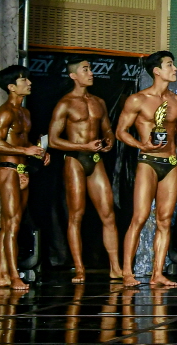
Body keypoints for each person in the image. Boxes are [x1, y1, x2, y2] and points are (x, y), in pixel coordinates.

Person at [116, 51, 177, 288]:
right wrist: (140, 144)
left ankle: (158, 274)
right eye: (169, 65)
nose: (174, 69)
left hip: (171, 164)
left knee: (164, 221)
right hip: (148, 162)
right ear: (156, 71)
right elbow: (120, 132)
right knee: (140, 217)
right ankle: (127, 273)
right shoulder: (137, 100)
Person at [46, 58, 122, 283]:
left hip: (95, 159)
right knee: (76, 215)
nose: (91, 73)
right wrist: (83, 146)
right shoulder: (65, 103)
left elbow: (107, 129)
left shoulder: (99, 102)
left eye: (90, 69)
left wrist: (109, 141)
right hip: (75, 160)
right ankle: (79, 269)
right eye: (85, 69)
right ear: (73, 76)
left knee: (108, 214)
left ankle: (116, 268)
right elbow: (53, 140)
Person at [0, 65, 49, 290]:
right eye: (23, 80)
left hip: (22, 170)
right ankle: (15, 276)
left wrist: (39, 151)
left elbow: (21, 142)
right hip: (8, 171)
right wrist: (26, 151)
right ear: (11, 87)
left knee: (10, 224)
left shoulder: (25, 113)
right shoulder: (5, 112)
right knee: (12, 224)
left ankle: (3, 275)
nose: (29, 83)